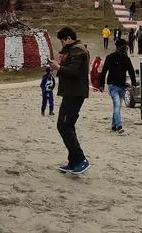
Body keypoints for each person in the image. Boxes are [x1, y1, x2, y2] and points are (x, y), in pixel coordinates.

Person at [51, 26, 90, 175]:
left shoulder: (78, 50)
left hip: (75, 93)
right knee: (66, 125)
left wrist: (58, 67)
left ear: (68, 38)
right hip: (71, 92)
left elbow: (74, 71)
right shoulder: (72, 49)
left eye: (62, 41)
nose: (61, 44)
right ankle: (73, 161)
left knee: (64, 125)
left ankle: (80, 159)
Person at [98, 38, 137, 134]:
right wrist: (101, 85)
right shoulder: (110, 57)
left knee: (117, 107)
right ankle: (119, 126)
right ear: (118, 47)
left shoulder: (126, 59)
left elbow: (131, 71)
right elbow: (104, 71)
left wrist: (134, 83)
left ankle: (113, 126)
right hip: (112, 85)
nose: (125, 48)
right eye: (123, 46)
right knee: (117, 105)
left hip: (122, 86)